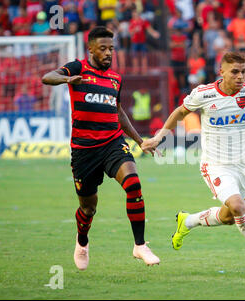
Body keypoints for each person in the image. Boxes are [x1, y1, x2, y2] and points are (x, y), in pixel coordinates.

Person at [41, 26, 160, 270]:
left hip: (113, 143)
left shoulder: (115, 78)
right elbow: (47, 77)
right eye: (103, 48)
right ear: (91, 49)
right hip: (84, 150)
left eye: (111, 49)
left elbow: (118, 112)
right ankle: (82, 242)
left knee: (133, 183)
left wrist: (139, 140)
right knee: (88, 206)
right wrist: (67, 79)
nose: (108, 53)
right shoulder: (78, 68)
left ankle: (139, 245)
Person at [142, 52, 245, 252]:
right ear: (221, 72)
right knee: (239, 207)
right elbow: (180, 112)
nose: (240, 76)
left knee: (229, 217)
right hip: (215, 165)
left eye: (243, 72)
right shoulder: (204, 94)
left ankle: (188, 221)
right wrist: (158, 137)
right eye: (234, 72)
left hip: (241, 166)